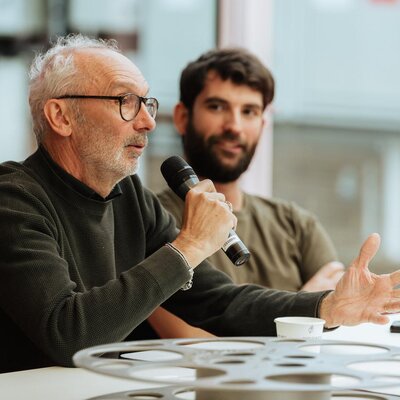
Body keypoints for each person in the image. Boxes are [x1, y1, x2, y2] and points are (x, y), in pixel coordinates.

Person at [0, 34, 399, 374]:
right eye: (125, 101)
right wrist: (189, 245)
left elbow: (220, 303)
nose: (147, 122)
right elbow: (67, 333)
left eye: (146, 103)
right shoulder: (14, 198)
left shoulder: (130, 197)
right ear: (61, 116)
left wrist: (328, 307)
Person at [148, 48, 346, 338]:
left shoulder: (297, 225)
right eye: (217, 107)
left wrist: (316, 312)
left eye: (249, 112)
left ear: (262, 125)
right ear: (181, 117)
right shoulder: (149, 222)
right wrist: (304, 311)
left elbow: (337, 318)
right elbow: (198, 347)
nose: (234, 126)